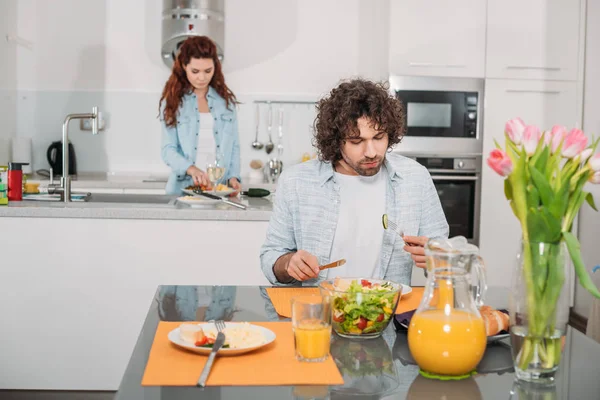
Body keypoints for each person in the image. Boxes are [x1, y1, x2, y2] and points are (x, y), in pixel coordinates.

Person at [260, 79, 449, 286]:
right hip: (319, 312)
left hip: (387, 313)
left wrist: (438, 258)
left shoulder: (415, 178)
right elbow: (272, 256)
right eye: (356, 141)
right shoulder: (296, 182)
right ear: (334, 140)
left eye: (378, 137)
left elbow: (443, 255)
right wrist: (288, 263)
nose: (371, 152)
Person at [159, 36, 241, 195]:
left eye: (208, 71)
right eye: (195, 71)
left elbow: (234, 147)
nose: (202, 77)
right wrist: (191, 169)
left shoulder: (226, 103)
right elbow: (167, 150)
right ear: (184, 66)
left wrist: (233, 178)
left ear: (215, 67)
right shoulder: (174, 102)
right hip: (182, 191)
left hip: (219, 191)